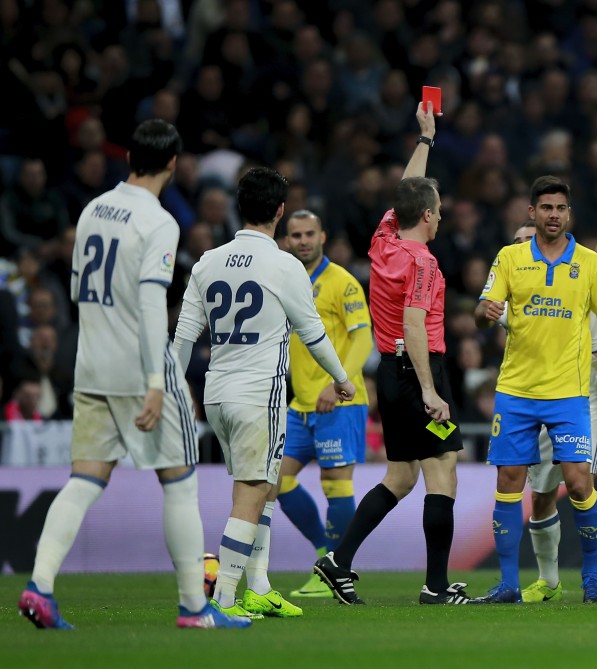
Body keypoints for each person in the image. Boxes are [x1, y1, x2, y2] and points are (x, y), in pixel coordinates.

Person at [17, 119, 250, 630]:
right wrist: (153, 380)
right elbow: (149, 303)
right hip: (139, 365)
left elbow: (80, 289)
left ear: (127, 160)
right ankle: (194, 607)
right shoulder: (159, 220)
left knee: (83, 478)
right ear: (172, 164)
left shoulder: (93, 209)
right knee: (181, 481)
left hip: (91, 362)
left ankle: (40, 587)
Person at [174, 167, 356, 619]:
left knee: (265, 486)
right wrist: (342, 377)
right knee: (253, 493)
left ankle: (258, 585)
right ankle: (223, 599)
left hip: (216, 393)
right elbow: (313, 334)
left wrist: (172, 388)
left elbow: (182, 338)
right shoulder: (284, 264)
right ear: (280, 211)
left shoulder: (207, 262)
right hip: (260, 395)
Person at [314, 101, 473, 606]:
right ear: (427, 217)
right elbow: (413, 324)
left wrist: (425, 140)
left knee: (401, 475)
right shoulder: (422, 262)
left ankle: (338, 561)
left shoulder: (384, 239)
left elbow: (407, 191)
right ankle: (436, 586)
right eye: (439, 209)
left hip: (390, 370)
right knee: (442, 470)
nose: (442, 215)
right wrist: (430, 390)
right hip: (417, 370)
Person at [473, 183, 597, 604]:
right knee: (511, 482)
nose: (553, 214)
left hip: (571, 393)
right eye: (545, 208)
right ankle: (508, 584)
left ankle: (593, 574)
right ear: (531, 211)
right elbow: (483, 311)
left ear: (569, 213)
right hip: (516, 391)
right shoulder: (509, 258)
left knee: (578, 484)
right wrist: (484, 314)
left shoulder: (590, 263)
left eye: (560, 208)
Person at [276, 209, 374, 599]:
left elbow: (363, 338)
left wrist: (339, 384)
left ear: (323, 236)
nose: (302, 241)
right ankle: (324, 558)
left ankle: (337, 567)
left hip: (340, 402)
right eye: (295, 234)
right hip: (300, 403)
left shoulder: (343, 283)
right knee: (277, 481)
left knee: (336, 484)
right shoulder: (287, 282)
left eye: (309, 234)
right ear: (286, 240)